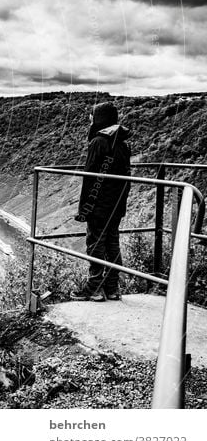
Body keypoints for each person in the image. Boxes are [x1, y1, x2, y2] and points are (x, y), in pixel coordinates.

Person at [72, 101, 132, 302]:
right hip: (116, 205)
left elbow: (90, 179)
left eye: (92, 117)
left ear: (99, 119)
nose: (90, 120)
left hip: (98, 206)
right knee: (112, 243)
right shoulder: (122, 144)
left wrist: (84, 209)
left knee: (95, 244)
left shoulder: (98, 142)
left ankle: (94, 289)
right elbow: (125, 178)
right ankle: (112, 288)